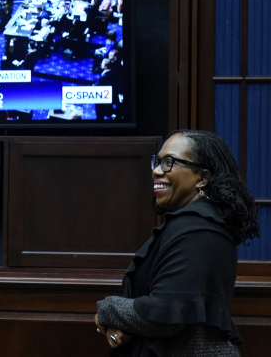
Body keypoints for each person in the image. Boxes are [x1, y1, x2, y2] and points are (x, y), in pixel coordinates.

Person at [95, 129, 259, 356]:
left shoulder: (198, 228)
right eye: (157, 162)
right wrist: (123, 323)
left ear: (202, 178)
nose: (155, 171)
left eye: (168, 162)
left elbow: (164, 315)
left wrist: (106, 310)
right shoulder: (193, 222)